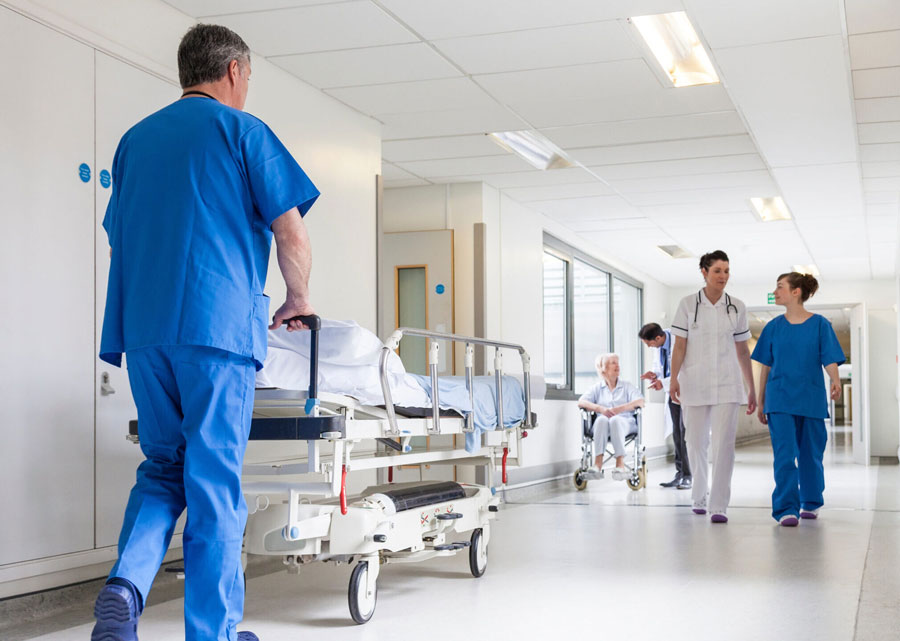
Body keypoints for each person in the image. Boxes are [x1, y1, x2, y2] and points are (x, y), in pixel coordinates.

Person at [93, 24, 320, 641]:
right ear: (236, 71)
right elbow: (291, 231)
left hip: (145, 331)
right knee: (214, 478)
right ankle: (212, 633)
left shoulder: (134, 142)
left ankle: (125, 586)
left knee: (164, 467)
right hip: (216, 333)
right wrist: (297, 298)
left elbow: (120, 236)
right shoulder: (245, 131)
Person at [669, 251, 756, 524]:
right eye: (717, 270)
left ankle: (719, 504)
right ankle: (699, 494)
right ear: (704, 272)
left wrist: (751, 387)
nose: (723, 276)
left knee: (723, 445)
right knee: (694, 443)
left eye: (727, 271)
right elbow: (680, 345)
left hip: (728, 384)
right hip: (693, 383)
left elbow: (742, 351)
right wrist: (673, 379)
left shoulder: (737, 307)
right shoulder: (687, 304)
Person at [751, 273, 844, 527]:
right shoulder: (773, 327)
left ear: (796, 292)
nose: (775, 291)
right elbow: (766, 368)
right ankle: (785, 509)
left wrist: (835, 380)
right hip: (779, 399)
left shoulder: (820, 325)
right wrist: (761, 401)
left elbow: (830, 358)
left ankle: (811, 502)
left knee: (811, 454)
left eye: (780, 287)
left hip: (811, 398)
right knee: (784, 454)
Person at [639, 323, 691, 490]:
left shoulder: (680, 341)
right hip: (672, 394)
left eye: (649, 343)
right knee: (676, 434)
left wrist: (664, 382)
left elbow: (684, 370)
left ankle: (688, 475)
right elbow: (663, 369)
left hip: (685, 392)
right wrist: (655, 376)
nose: (649, 346)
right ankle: (679, 473)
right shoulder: (659, 347)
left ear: (658, 338)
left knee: (685, 435)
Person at [578, 353, 645, 481]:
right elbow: (581, 402)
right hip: (601, 427)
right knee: (602, 419)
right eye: (613, 362)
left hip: (625, 423)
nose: (617, 365)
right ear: (603, 368)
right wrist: (600, 409)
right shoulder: (597, 388)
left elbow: (640, 402)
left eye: (617, 362)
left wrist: (619, 409)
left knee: (614, 419)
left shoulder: (627, 386)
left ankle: (620, 464)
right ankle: (597, 464)